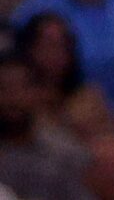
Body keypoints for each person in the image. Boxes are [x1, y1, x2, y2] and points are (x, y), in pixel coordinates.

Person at [14, 13, 112, 156]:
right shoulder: (17, 100)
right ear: (29, 47)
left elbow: (109, 144)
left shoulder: (89, 98)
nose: (58, 52)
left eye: (64, 44)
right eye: (49, 44)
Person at [0, 53, 88, 200]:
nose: (13, 97)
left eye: (20, 87)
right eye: (4, 87)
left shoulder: (65, 153)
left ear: (37, 93)